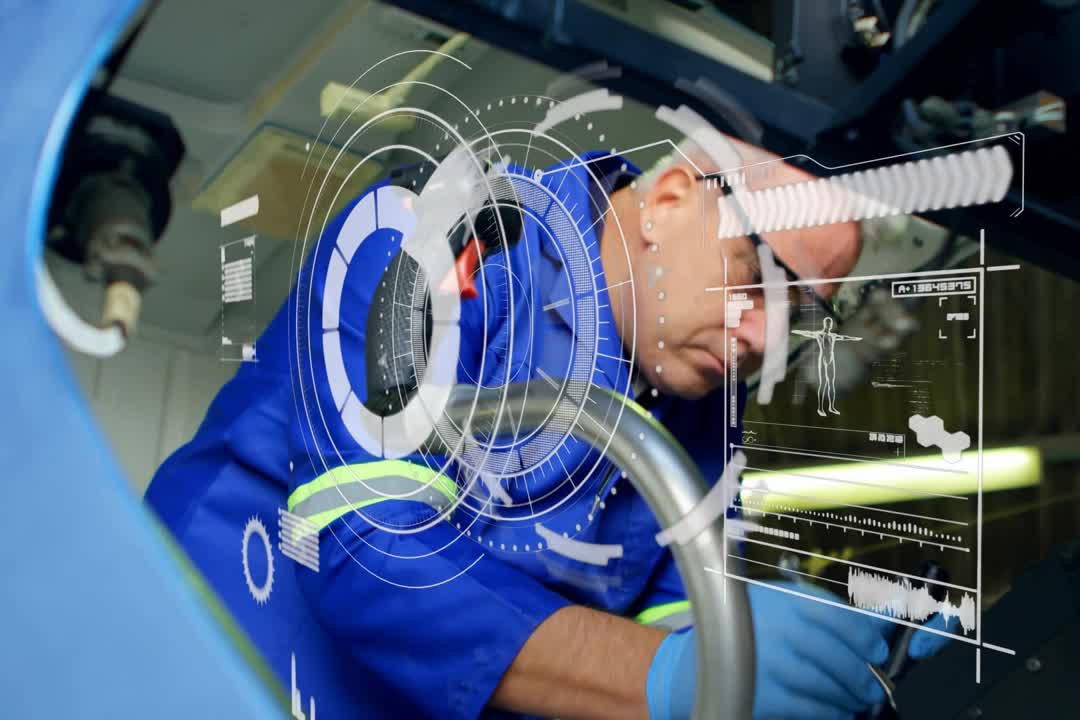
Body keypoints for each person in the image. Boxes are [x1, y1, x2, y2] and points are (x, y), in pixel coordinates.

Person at [146, 134, 951, 719]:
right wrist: (673, 677)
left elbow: (674, 615)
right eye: (757, 279)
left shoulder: (705, 414)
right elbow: (371, 552)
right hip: (205, 651)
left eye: (797, 319)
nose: (762, 339)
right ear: (669, 201)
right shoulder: (426, 237)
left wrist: (813, 648)